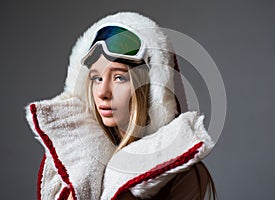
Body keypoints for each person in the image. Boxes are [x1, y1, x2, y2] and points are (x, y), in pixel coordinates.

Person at [26, 11, 216, 200]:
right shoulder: (70, 163)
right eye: (97, 78)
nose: (103, 92)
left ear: (150, 88)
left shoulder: (182, 174)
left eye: (119, 78)